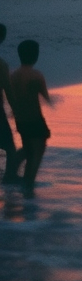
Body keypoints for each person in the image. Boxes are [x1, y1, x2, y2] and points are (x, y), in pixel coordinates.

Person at [11, 39, 52, 196]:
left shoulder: (13, 75)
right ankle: (29, 185)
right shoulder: (36, 75)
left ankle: (11, 173)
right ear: (35, 56)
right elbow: (46, 98)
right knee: (37, 150)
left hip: (20, 120)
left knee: (27, 149)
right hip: (35, 118)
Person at [0, 24, 18, 183]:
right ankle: (9, 179)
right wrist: (16, 111)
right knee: (10, 149)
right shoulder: (2, 65)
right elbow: (8, 91)